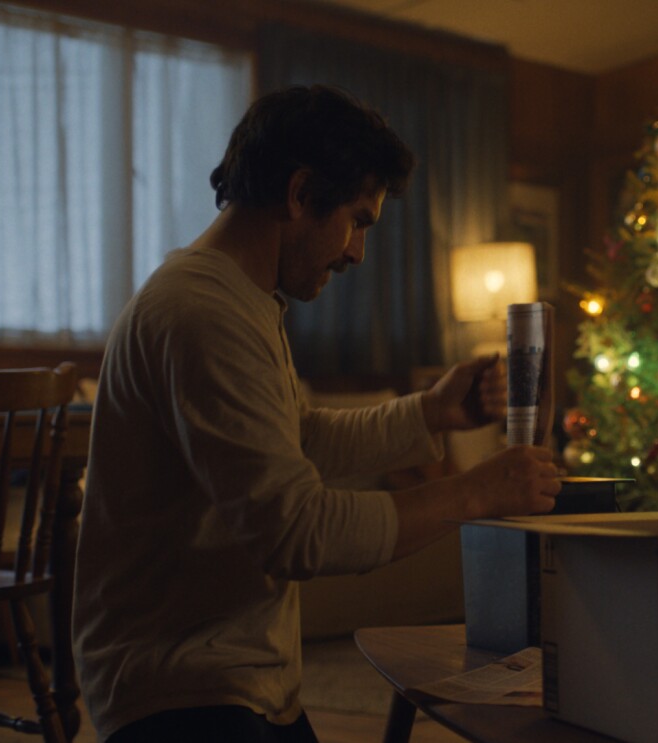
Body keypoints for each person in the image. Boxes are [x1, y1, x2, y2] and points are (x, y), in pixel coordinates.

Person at [73, 85, 560, 743]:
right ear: (300, 194)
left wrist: (432, 411)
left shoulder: (239, 299)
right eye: (357, 220)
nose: (357, 251)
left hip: (238, 683)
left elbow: (296, 437)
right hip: (180, 695)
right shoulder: (202, 315)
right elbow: (297, 530)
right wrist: (479, 489)